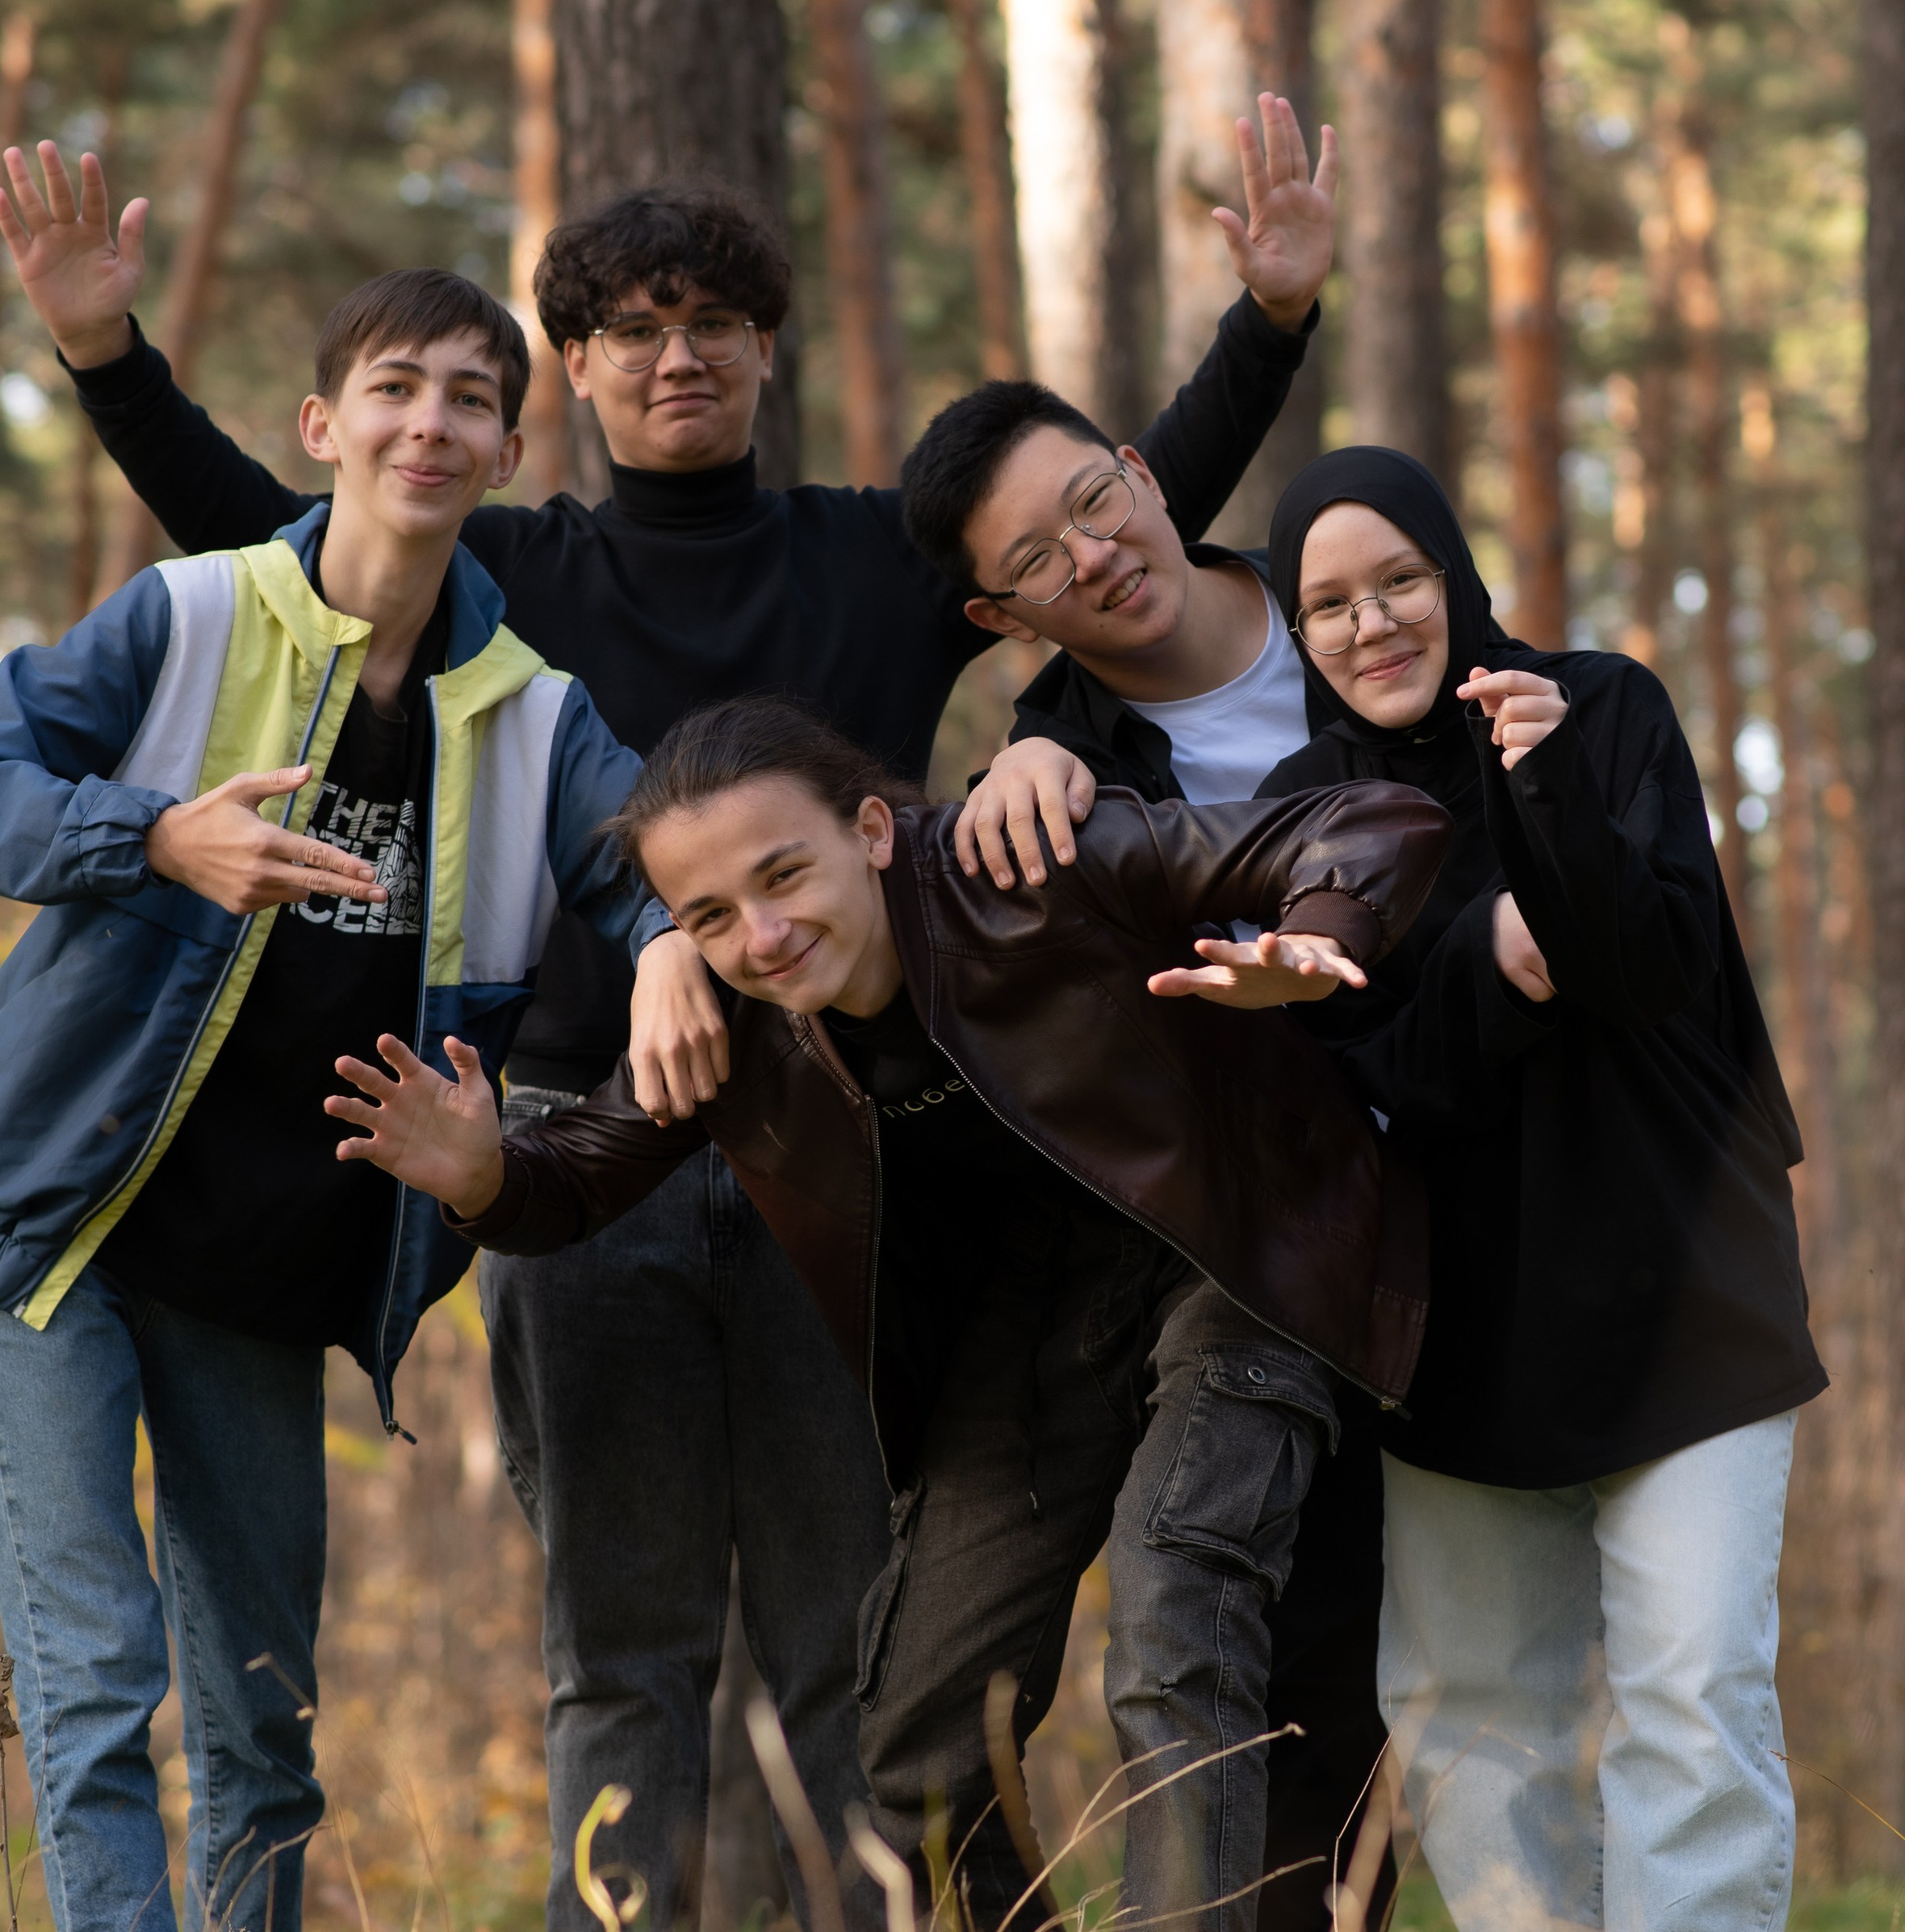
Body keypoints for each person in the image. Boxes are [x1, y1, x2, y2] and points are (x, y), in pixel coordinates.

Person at [0, 97, 1334, 1929]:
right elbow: (277, 528)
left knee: (841, 1640)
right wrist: (104, 355)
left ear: (765, 352)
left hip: (826, 1156)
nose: (676, 353)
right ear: (575, 370)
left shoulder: (872, 552)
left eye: (712, 321)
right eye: (630, 327)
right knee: (618, 1651)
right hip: (580, 1152)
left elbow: (1108, 526)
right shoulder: (514, 579)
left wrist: (1265, 323)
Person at [323, 694, 1451, 1932]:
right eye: (708, 915)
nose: (761, 933)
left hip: (1229, 1243)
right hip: (1035, 1316)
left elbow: (1368, 819)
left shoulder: (1017, 867)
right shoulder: (745, 1021)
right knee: (921, 1734)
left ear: (870, 829)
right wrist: (482, 1173)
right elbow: (581, 1171)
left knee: (1176, 1603)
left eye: (782, 874)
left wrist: (1313, 932)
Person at [0, 268, 692, 1932]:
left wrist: (672, 943)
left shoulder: (535, 715)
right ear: (324, 427)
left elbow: (657, 853)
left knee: (262, 1707)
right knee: (95, 1669)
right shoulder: (193, 613)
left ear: (508, 449)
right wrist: (151, 836)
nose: (429, 421)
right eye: (395, 386)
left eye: (469, 396)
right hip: (56, 1228)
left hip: (264, 1262)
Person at [1254, 447, 1827, 1932]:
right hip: (1453, 1336)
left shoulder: (1600, 708)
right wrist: (1491, 950)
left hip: (1685, 1289)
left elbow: (1649, 962)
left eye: (1400, 581)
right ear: (1297, 636)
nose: (1373, 624)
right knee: (1471, 1731)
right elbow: (1384, 1076)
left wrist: (1548, 800)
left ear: (1456, 577)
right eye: (1329, 604)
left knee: (1692, 1697)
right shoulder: (1304, 813)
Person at [897, 377, 1397, 1926]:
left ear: (1137, 472)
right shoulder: (1055, 766)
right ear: (1004, 611)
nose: (1094, 556)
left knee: (1360, 1694)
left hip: (1423, 1211)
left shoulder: (1357, 611)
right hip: (1220, 1241)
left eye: (1095, 504)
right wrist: (1016, 765)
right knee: (1203, 1656)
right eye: (1037, 563)